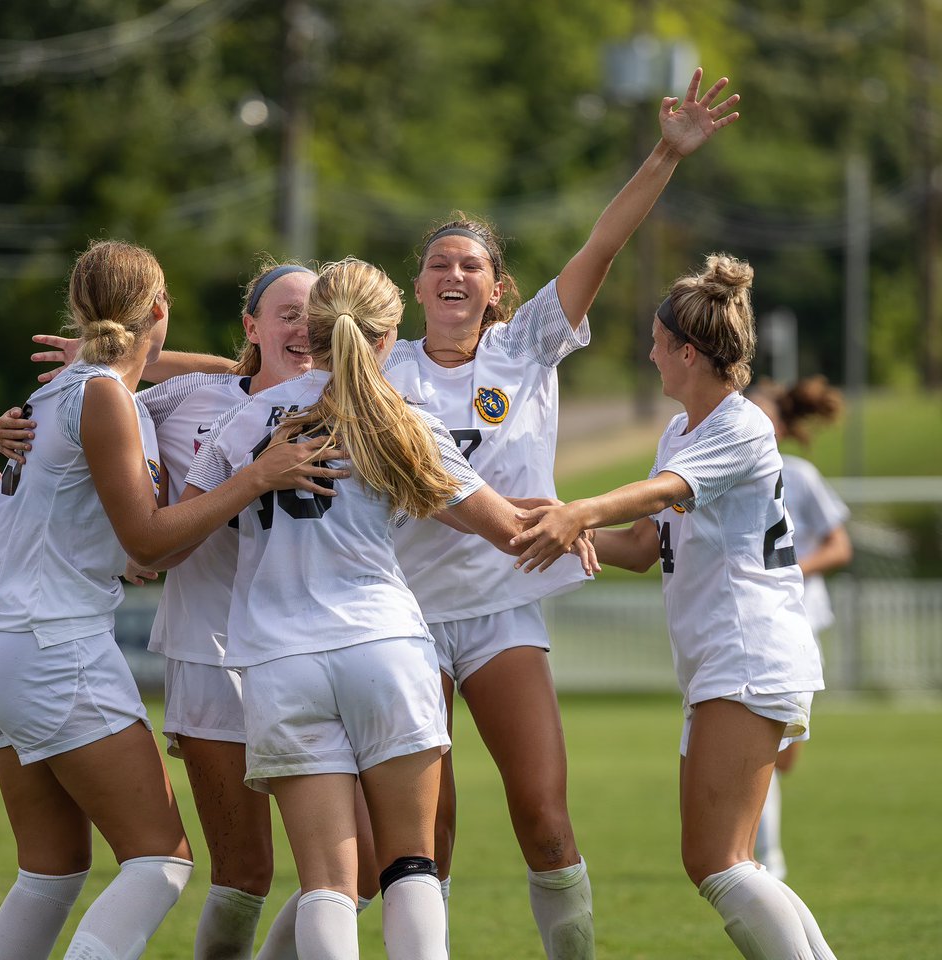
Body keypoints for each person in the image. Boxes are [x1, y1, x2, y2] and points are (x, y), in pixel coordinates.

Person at [376, 67, 739, 957]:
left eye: (471, 264)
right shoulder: (379, 371)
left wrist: (665, 152)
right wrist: (134, 364)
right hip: (400, 617)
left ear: (497, 289)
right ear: (416, 288)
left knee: (543, 819)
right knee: (426, 836)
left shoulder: (525, 348)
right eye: (438, 264)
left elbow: (603, 248)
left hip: (502, 613)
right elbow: (258, 367)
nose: (454, 273)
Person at [0, 240, 346, 960]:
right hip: (53, 644)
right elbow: (147, 545)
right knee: (160, 863)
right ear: (161, 309)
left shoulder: (62, 389)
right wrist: (256, 476)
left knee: (51, 870)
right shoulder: (105, 392)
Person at [181, 257, 575, 960]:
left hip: (279, 661)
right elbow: (504, 530)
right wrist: (583, 516)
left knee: (328, 885)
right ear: (389, 333)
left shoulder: (249, 419)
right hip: (385, 648)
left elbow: (176, 529)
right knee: (409, 868)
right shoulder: (400, 418)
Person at [514, 254, 838, 960]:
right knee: (727, 861)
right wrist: (553, 528)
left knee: (719, 862)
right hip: (723, 659)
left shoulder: (740, 425)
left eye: (658, 343)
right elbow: (638, 544)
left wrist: (577, 509)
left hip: (747, 653)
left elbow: (663, 493)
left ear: (688, 352)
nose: (650, 353)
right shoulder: (684, 429)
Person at [748, 377, 852, 881]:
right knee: (763, 747)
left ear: (782, 428)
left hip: (800, 623)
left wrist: (791, 568)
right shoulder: (726, 470)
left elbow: (840, 546)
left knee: (783, 759)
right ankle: (768, 860)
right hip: (755, 629)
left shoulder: (800, 476)